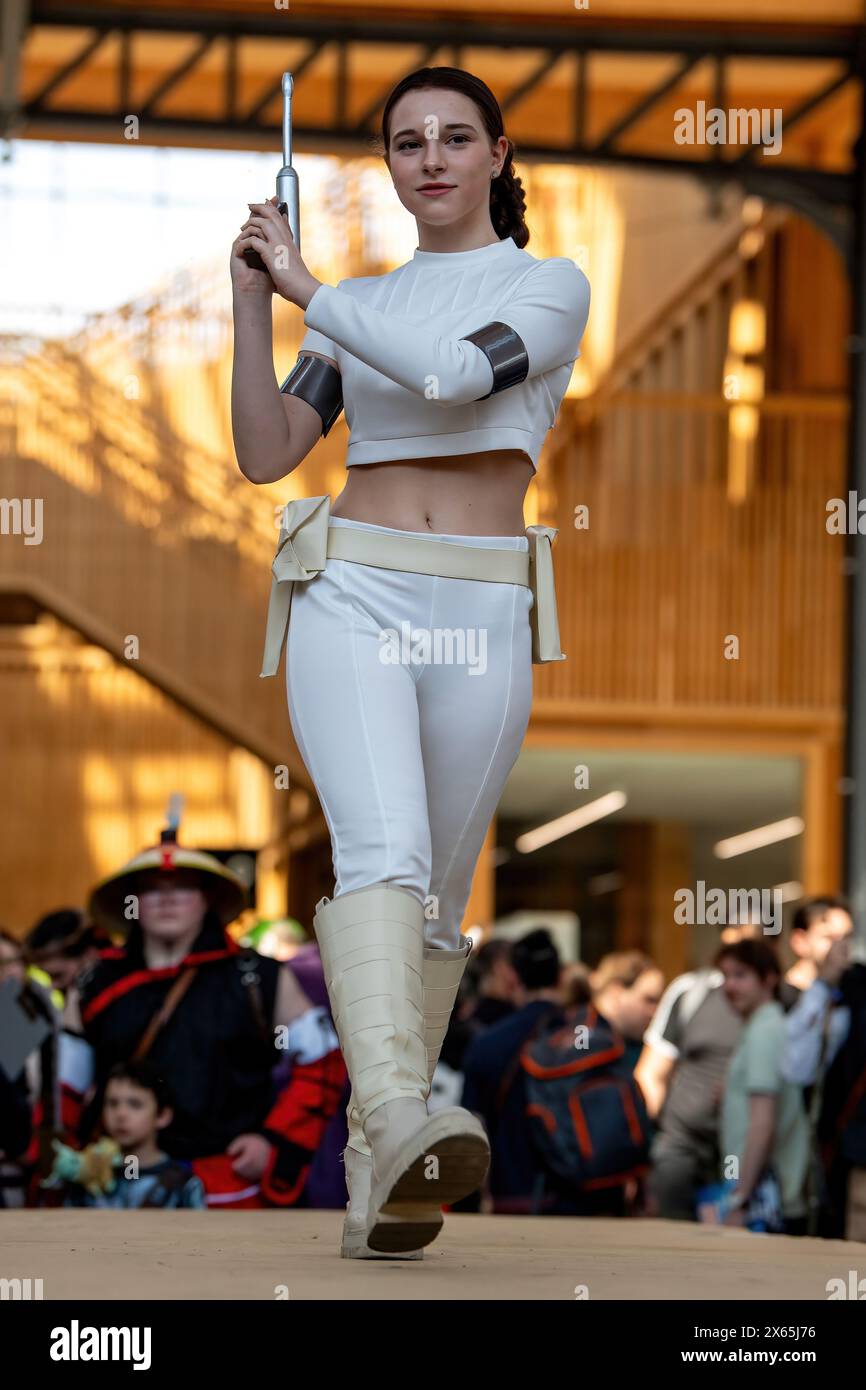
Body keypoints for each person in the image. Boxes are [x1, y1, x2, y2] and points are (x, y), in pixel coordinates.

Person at [231, 65, 589, 1257]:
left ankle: (373, 1172)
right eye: (403, 142)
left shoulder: (549, 288)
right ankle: (392, 1115)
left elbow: (449, 373)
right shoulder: (357, 306)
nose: (427, 157)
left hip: (485, 606)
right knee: (375, 853)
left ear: (496, 153)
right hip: (352, 587)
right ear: (388, 165)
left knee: (437, 896)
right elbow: (267, 449)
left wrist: (307, 286)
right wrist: (250, 303)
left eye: (451, 137)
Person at [80, 822, 346, 1210]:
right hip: (113, 1188)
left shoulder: (258, 977)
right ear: (132, 900)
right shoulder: (96, 981)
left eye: (183, 888)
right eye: (153, 889)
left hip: (228, 1188)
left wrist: (275, 1141)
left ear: (207, 899)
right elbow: (66, 1091)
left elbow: (324, 1062)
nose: (167, 900)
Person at [715, 938, 809, 1234]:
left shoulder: (766, 1031)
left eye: (741, 975)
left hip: (764, 1201)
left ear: (769, 979)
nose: (730, 986)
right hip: (760, 1193)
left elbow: (762, 1124)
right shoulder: (760, 1026)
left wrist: (740, 1199)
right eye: (725, 976)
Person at [59, 1061, 206, 1209]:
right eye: (112, 1103)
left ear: (162, 1116)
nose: (121, 1114)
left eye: (135, 1104)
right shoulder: (88, 1175)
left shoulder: (183, 1185)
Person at [590, 951, 664, 1071]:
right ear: (615, 992)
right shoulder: (583, 1042)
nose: (655, 1012)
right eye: (649, 1000)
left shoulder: (648, 1051)